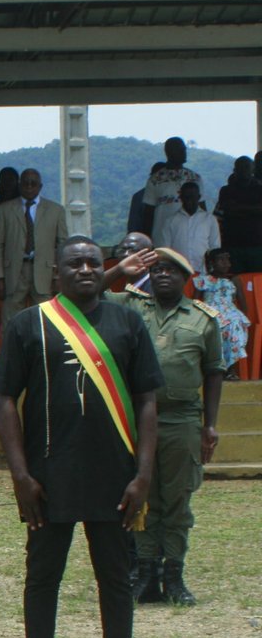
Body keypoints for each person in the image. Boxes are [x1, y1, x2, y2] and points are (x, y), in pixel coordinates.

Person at [0, 236, 164, 638]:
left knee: (116, 580)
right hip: (48, 478)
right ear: (56, 272)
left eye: (93, 262)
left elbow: (149, 400)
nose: (85, 269)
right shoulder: (30, 324)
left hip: (116, 477)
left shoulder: (128, 321)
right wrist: (20, 475)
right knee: (42, 580)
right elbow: (4, 399)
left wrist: (143, 475)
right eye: (75, 263)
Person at [117, 248, 224, 607]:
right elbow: (87, 294)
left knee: (177, 499)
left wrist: (210, 425)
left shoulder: (203, 320)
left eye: (172, 270)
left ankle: (174, 575)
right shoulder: (134, 309)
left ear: (185, 278)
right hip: (140, 419)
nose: (163, 275)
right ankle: (145, 574)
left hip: (182, 421)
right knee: (143, 498)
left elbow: (213, 373)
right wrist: (119, 268)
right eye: (157, 269)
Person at [0, 169, 65, 333]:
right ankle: (10, 355)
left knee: (48, 318)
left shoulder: (56, 210)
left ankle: (46, 354)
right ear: (19, 185)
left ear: (40, 186)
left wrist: (58, 274)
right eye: (25, 183)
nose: (29, 187)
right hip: (14, 271)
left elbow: (63, 245)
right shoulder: (4, 210)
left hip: (45, 272)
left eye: (33, 183)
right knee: (10, 320)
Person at [194, 248, 251, 377]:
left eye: (227, 260)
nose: (226, 263)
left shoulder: (234, 279)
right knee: (215, 325)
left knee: (235, 325)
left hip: (230, 312)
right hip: (210, 309)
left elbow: (242, 302)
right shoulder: (204, 279)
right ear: (212, 263)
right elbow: (196, 301)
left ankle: (231, 369)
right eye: (221, 260)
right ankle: (214, 367)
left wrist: (243, 316)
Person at [153, 181, 220, 274]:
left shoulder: (209, 220)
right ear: (181, 198)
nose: (189, 201)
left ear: (199, 197)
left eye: (192, 197)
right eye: (186, 197)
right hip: (179, 272)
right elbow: (166, 251)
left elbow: (215, 248)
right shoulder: (170, 221)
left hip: (204, 272)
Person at [142, 137, 203, 240]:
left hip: (190, 237)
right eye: (179, 149)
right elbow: (148, 213)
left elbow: (202, 208)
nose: (184, 152)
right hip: (161, 237)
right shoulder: (155, 179)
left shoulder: (195, 178)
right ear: (168, 152)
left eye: (184, 149)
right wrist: (147, 239)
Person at [214, 156, 262, 273]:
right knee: (235, 281)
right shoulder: (226, 190)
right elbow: (226, 210)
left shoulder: (260, 189)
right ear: (235, 170)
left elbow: (232, 210)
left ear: (253, 169)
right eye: (240, 167)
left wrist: (237, 208)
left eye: (247, 167)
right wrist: (253, 209)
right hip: (232, 244)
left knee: (257, 282)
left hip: (256, 244)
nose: (244, 170)